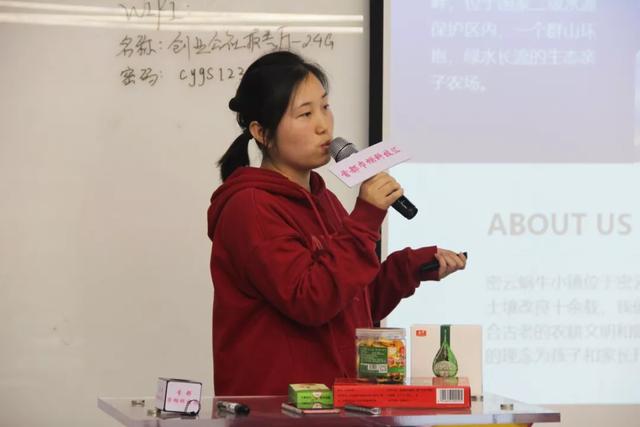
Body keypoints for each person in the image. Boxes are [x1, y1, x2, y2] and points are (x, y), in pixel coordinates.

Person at [207, 51, 466, 396]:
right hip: (280, 413)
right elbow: (311, 300)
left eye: (325, 107)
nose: (323, 125)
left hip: (332, 406)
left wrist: (409, 267)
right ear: (261, 132)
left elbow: (352, 303)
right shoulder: (250, 207)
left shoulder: (322, 199)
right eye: (305, 113)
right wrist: (365, 217)